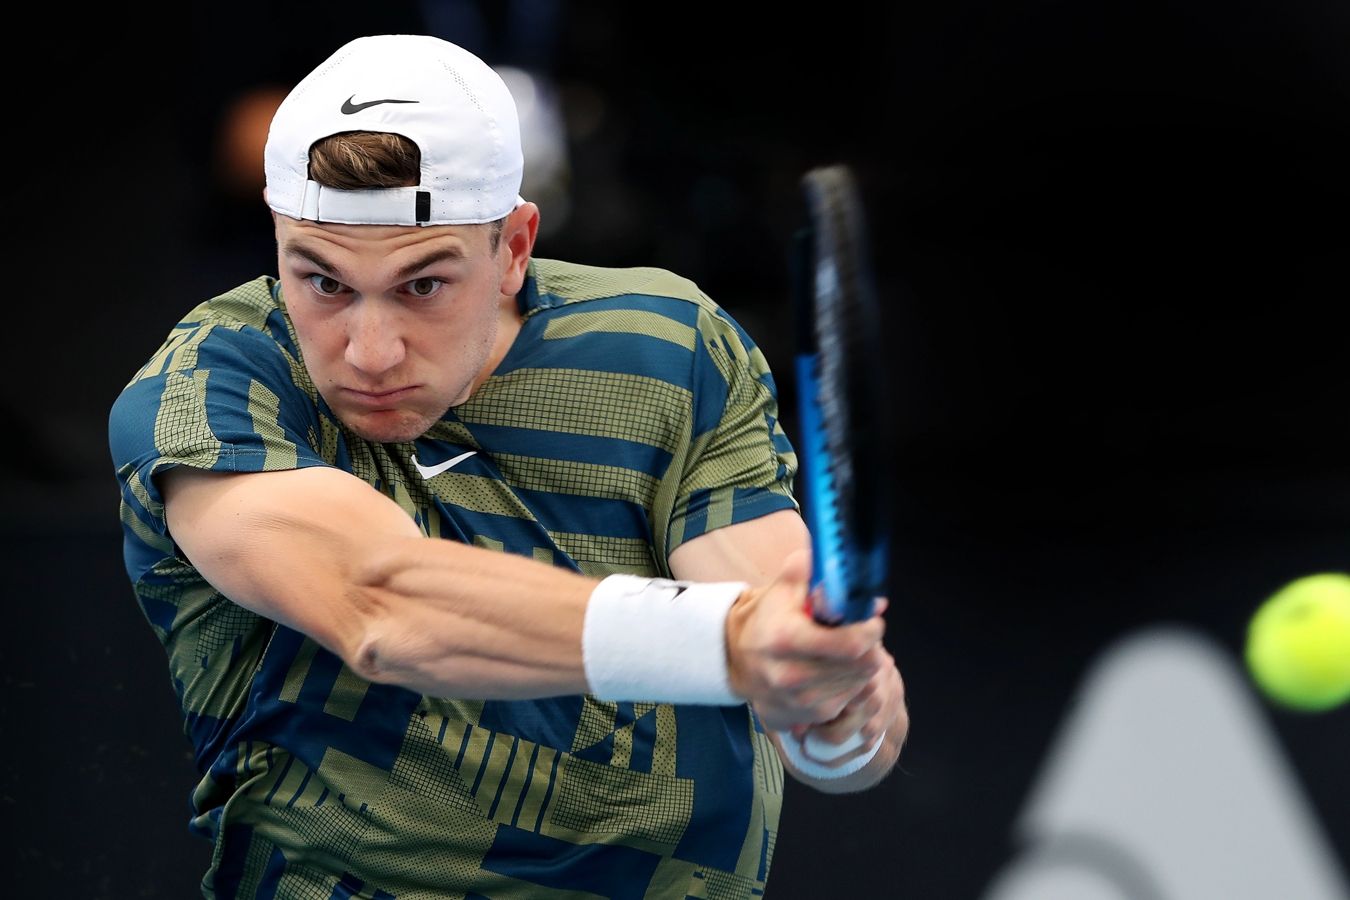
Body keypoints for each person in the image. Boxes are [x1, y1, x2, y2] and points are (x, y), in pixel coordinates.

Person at [108, 33, 907, 898]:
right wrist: (732, 641)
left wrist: (829, 712)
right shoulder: (210, 383)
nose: (370, 352)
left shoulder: (668, 347)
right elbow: (380, 605)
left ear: (515, 247)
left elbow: (788, 637)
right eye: (324, 282)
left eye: (423, 285)